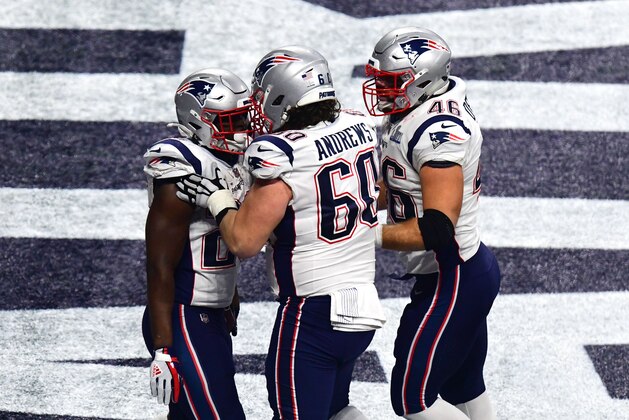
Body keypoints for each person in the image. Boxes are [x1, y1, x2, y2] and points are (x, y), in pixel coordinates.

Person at [176, 46, 385, 420]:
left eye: (261, 95)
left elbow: (243, 241)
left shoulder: (281, 152)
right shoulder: (360, 127)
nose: (256, 105)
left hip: (312, 312)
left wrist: (219, 199)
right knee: (337, 410)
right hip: (362, 304)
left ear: (281, 95)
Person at [361, 27, 501, 420]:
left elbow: (439, 227)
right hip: (456, 274)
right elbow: (396, 185)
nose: (381, 90)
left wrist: (361, 236)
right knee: (464, 387)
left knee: (412, 398)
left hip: (454, 276)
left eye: (390, 82)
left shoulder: (439, 133)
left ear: (422, 81)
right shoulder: (413, 111)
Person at [142, 68, 254, 419]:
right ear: (197, 121)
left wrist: (228, 296)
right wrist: (163, 348)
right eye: (227, 121)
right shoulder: (182, 165)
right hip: (183, 314)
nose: (238, 131)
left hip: (210, 314)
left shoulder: (231, 161)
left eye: (241, 119)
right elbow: (159, 263)